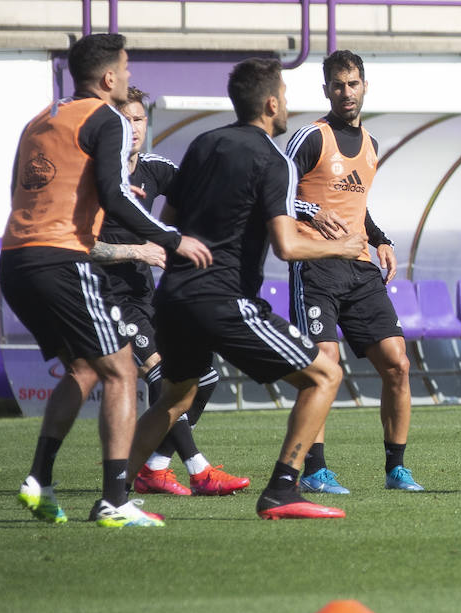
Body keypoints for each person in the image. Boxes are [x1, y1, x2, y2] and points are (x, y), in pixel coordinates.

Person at [126, 57, 367, 520]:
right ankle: (282, 490)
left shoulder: (202, 145)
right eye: (286, 97)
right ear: (272, 102)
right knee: (325, 375)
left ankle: (112, 498)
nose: (289, 106)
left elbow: (171, 223)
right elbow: (287, 246)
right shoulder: (272, 159)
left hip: (173, 298)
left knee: (175, 398)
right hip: (222, 299)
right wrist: (345, 246)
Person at [0, 33, 212, 528]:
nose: (131, 76)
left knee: (85, 368)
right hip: (61, 258)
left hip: (15, 258)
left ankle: (40, 480)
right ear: (109, 77)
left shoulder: (40, 120)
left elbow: (21, 189)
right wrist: (173, 239)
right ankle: (115, 500)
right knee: (122, 371)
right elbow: (118, 198)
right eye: (127, 68)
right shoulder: (108, 119)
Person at [90, 86, 250, 499]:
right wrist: (137, 249)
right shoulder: (92, 177)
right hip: (105, 295)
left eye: (138, 119)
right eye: (123, 119)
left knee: (204, 377)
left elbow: (196, 201)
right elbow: (80, 245)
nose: (132, 127)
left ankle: (155, 468)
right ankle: (199, 470)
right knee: (163, 376)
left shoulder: (157, 170)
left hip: (147, 294)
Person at [284, 50, 423, 493]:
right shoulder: (309, 138)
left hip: (360, 269)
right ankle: (315, 471)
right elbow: (272, 192)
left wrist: (381, 239)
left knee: (398, 364)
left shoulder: (372, 145)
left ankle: (396, 469)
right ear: (326, 89)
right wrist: (310, 209)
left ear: (365, 86)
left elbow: (357, 209)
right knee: (325, 367)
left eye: (353, 83)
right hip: (316, 268)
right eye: (338, 85)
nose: (346, 92)